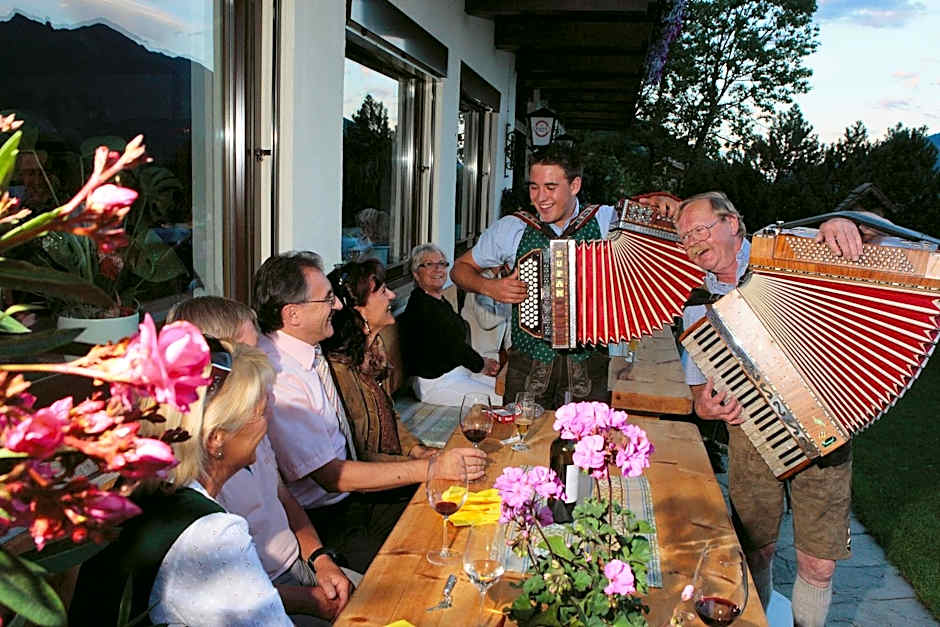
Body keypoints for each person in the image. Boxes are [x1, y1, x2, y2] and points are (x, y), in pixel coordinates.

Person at [673, 191, 866, 627]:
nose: (694, 242)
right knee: (755, 550)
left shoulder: (782, 255)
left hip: (823, 422)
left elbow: (876, 242)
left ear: (732, 224)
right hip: (750, 433)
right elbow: (698, 390)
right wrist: (705, 404)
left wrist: (846, 222)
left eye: (700, 230)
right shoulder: (697, 301)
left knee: (819, 563)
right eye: (686, 237)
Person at [252, 251, 486, 572]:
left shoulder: (313, 353)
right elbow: (333, 477)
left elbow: (382, 418)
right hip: (327, 519)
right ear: (292, 314)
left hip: (354, 501)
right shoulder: (281, 376)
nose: (337, 306)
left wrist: (422, 456)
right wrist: (430, 467)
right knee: (427, 557)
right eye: (327, 299)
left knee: (462, 512)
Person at [70, 340, 293, 626]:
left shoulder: (138, 483)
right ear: (216, 438)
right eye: (260, 412)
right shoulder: (211, 534)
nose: (267, 419)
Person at [167, 296, 357, 624]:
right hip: (265, 593)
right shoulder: (200, 483)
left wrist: (321, 559)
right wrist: (309, 600)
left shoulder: (247, 428)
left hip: (300, 566)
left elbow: (283, 496)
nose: (267, 368)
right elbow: (232, 597)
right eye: (249, 354)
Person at [452, 145, 666, 408]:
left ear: (575, 185)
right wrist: (489, 287)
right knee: (521, 433)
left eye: (551, 187)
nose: (540, 198)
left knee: (589, 434)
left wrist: (666, 205)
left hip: (589, 368)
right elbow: (459, 269)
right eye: (534, 187)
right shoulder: (512, 228)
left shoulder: (606, 220)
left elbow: (662, 227)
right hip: (527, 366)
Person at [321, 259, 437, 460]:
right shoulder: (338, 372)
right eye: (383, 291)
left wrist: (416, 450)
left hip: (396, 465)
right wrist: (418, 468)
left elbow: (390, 417)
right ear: (359, 309)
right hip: (375, 475)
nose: (392, 295)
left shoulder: (373, 354)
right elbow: (357, 454)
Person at [399, 243, 501, 406]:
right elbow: (453, 345)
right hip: (436, 383)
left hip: (457, 373)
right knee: (502, 400)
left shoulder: (437, 300)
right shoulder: (421, 306)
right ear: (416, 274)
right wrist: (482, 364)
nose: (438, 269)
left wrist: (480, 362)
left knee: (509, 390)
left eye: (442, 264)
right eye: (429, 264)